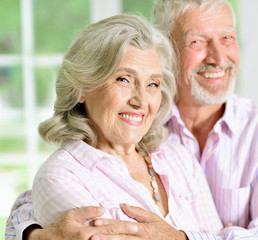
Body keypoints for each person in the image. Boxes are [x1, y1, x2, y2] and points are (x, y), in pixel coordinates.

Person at [6, 0, 258, 239]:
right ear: (169, 50)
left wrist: (183, 239)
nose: (217, 57)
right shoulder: (138, 125)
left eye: (227, 37)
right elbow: (46, 193)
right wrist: (32, 234)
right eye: (197, 41)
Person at [5, 13, 224, 240]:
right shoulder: (60, 176)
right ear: (82, 87)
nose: (140, 101)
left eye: (152, 84)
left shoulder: (178, 158)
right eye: (124, 79)